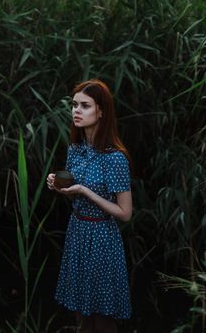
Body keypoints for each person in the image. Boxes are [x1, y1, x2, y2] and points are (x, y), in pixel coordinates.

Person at [47, 79, 133, 333]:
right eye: (74, 105)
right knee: (81, 316)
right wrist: (59, 187)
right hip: (78, 233)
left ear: (101, 111)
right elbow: (75, 195)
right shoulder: (76, 150)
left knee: (103, 318)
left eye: (85, 106)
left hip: (102, 237)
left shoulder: (114, 158)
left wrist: (84, 191)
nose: (76, 111)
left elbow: (125, 213)